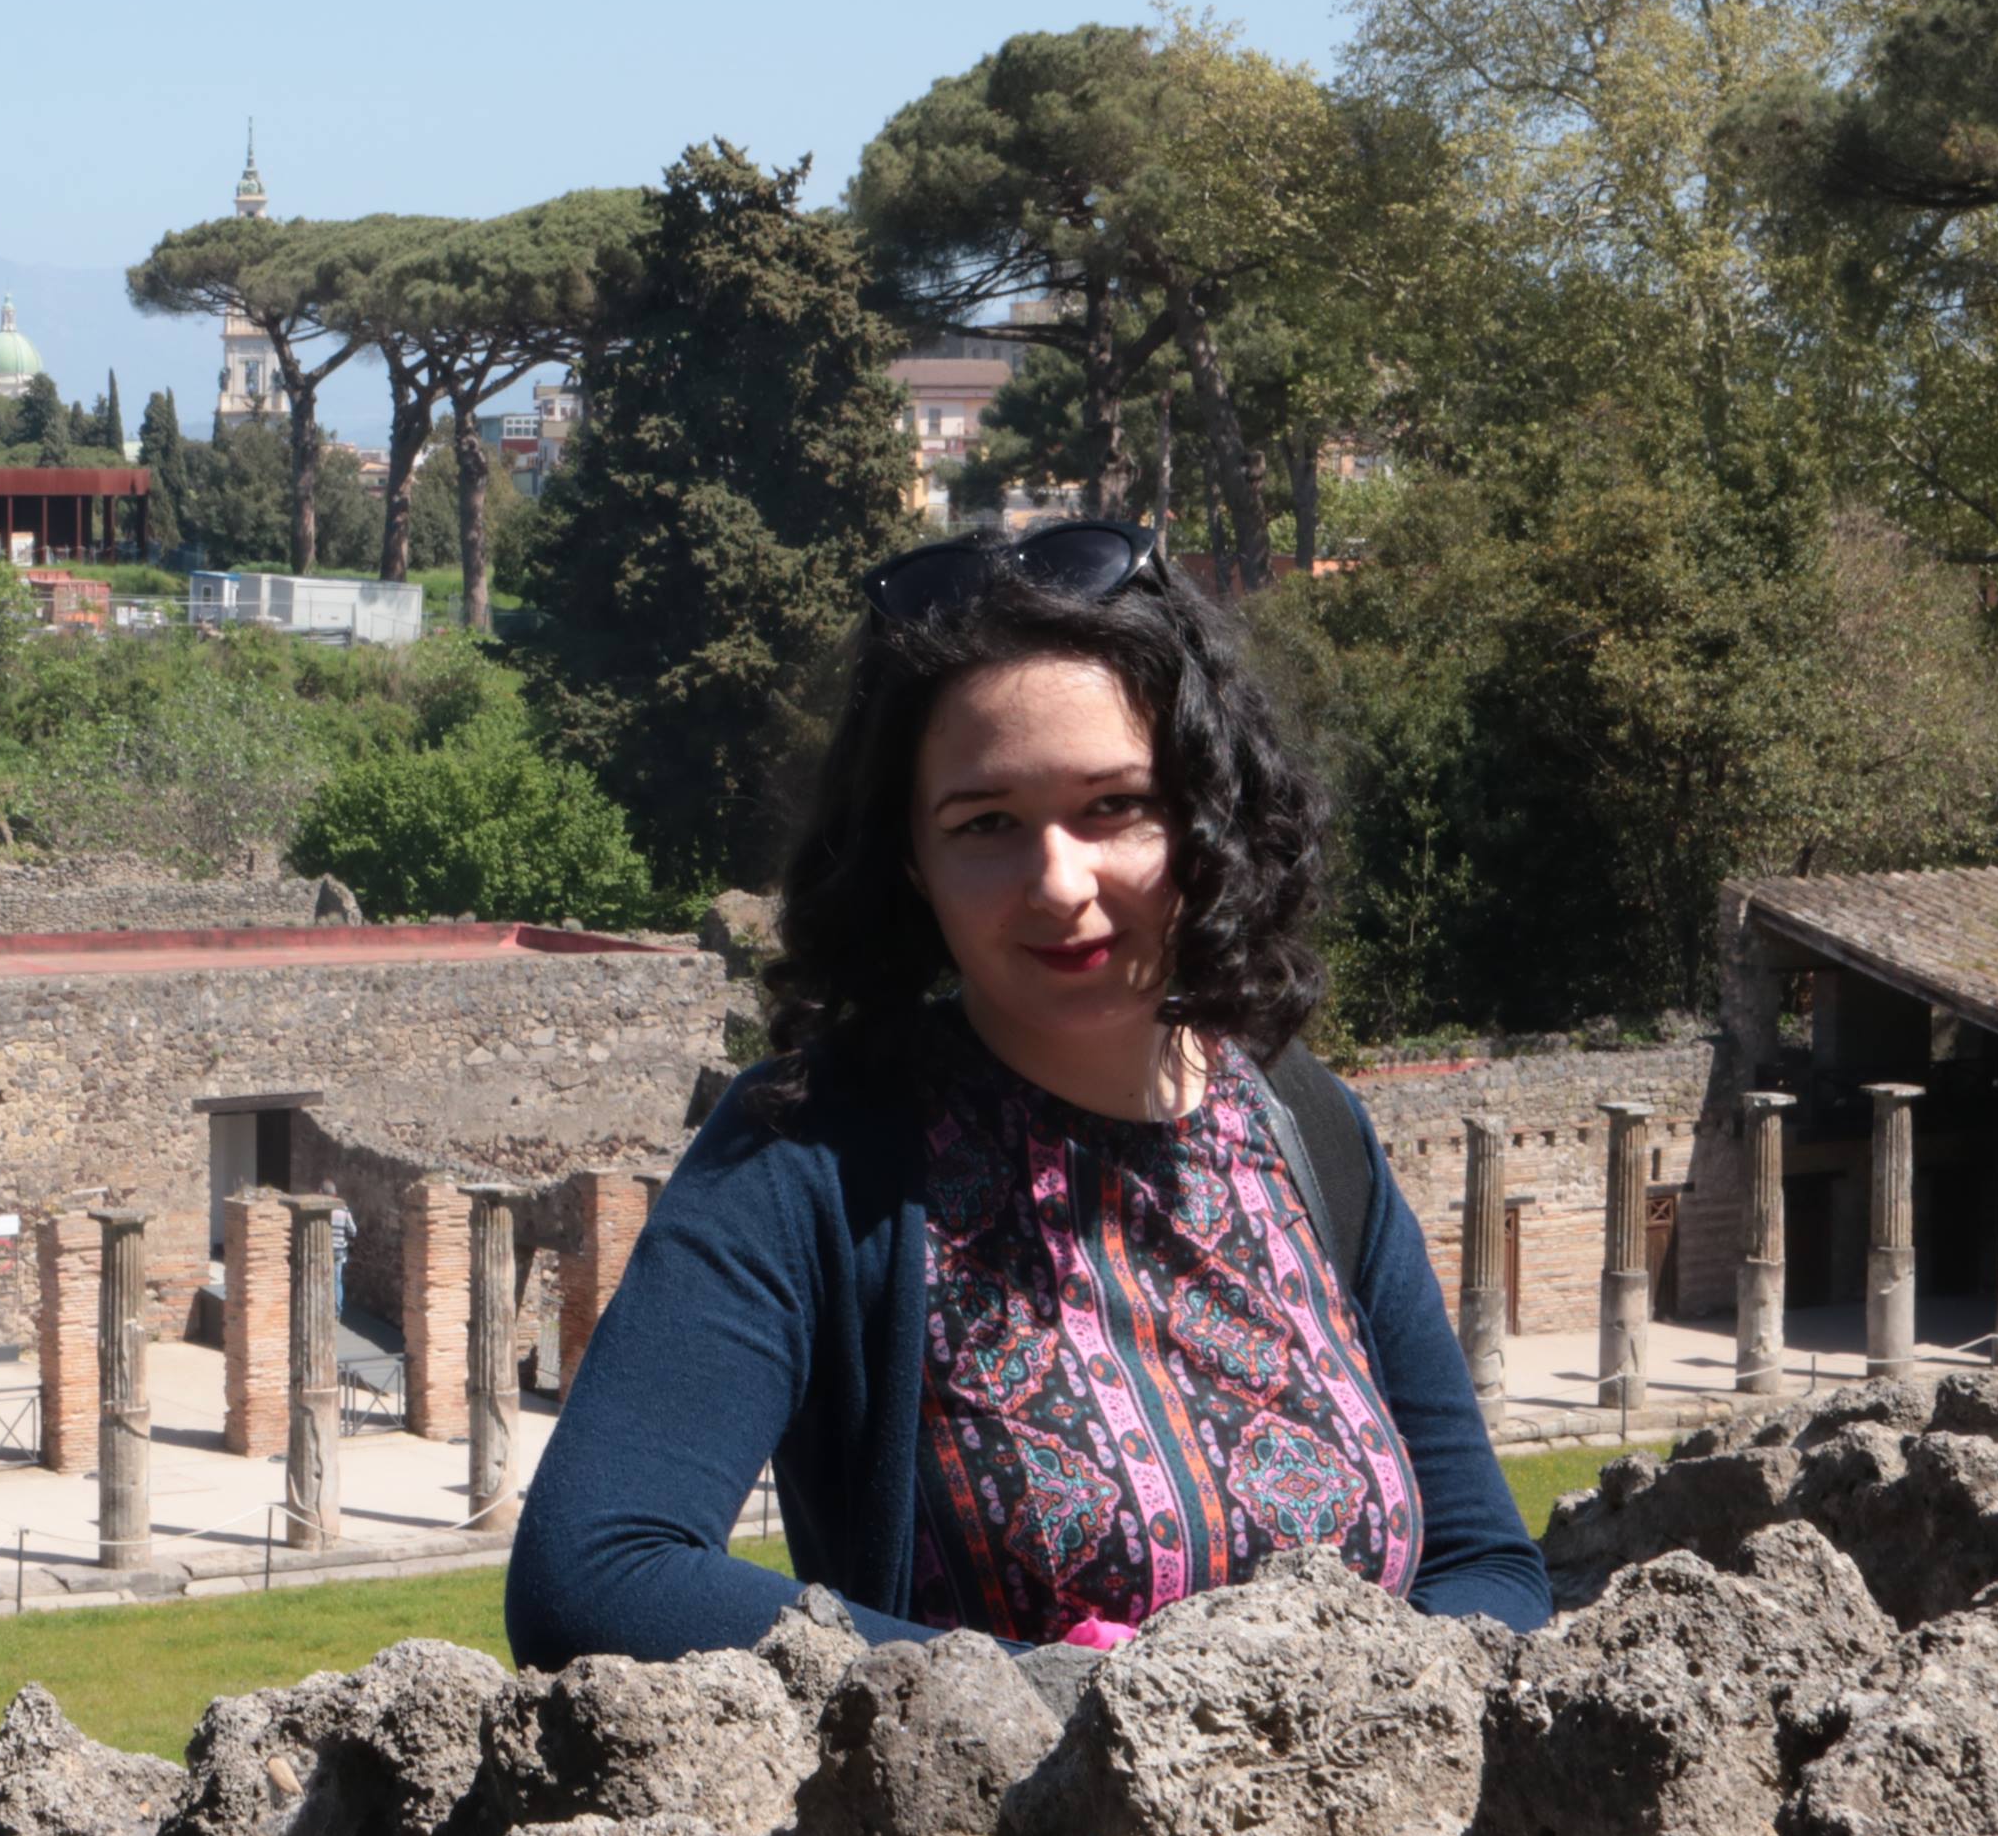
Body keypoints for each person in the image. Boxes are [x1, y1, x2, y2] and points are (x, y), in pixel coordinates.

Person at [506, 519, 1546, 1665]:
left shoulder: (1310, 1127)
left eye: (1113, 806)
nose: (1059, 884)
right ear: (911, 860)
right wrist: (1041, 1697)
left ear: (1202, 810)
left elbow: (1484, 1565)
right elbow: (594, 1569)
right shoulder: (809, 1157)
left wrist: (1323, 1712)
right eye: (987, 824)